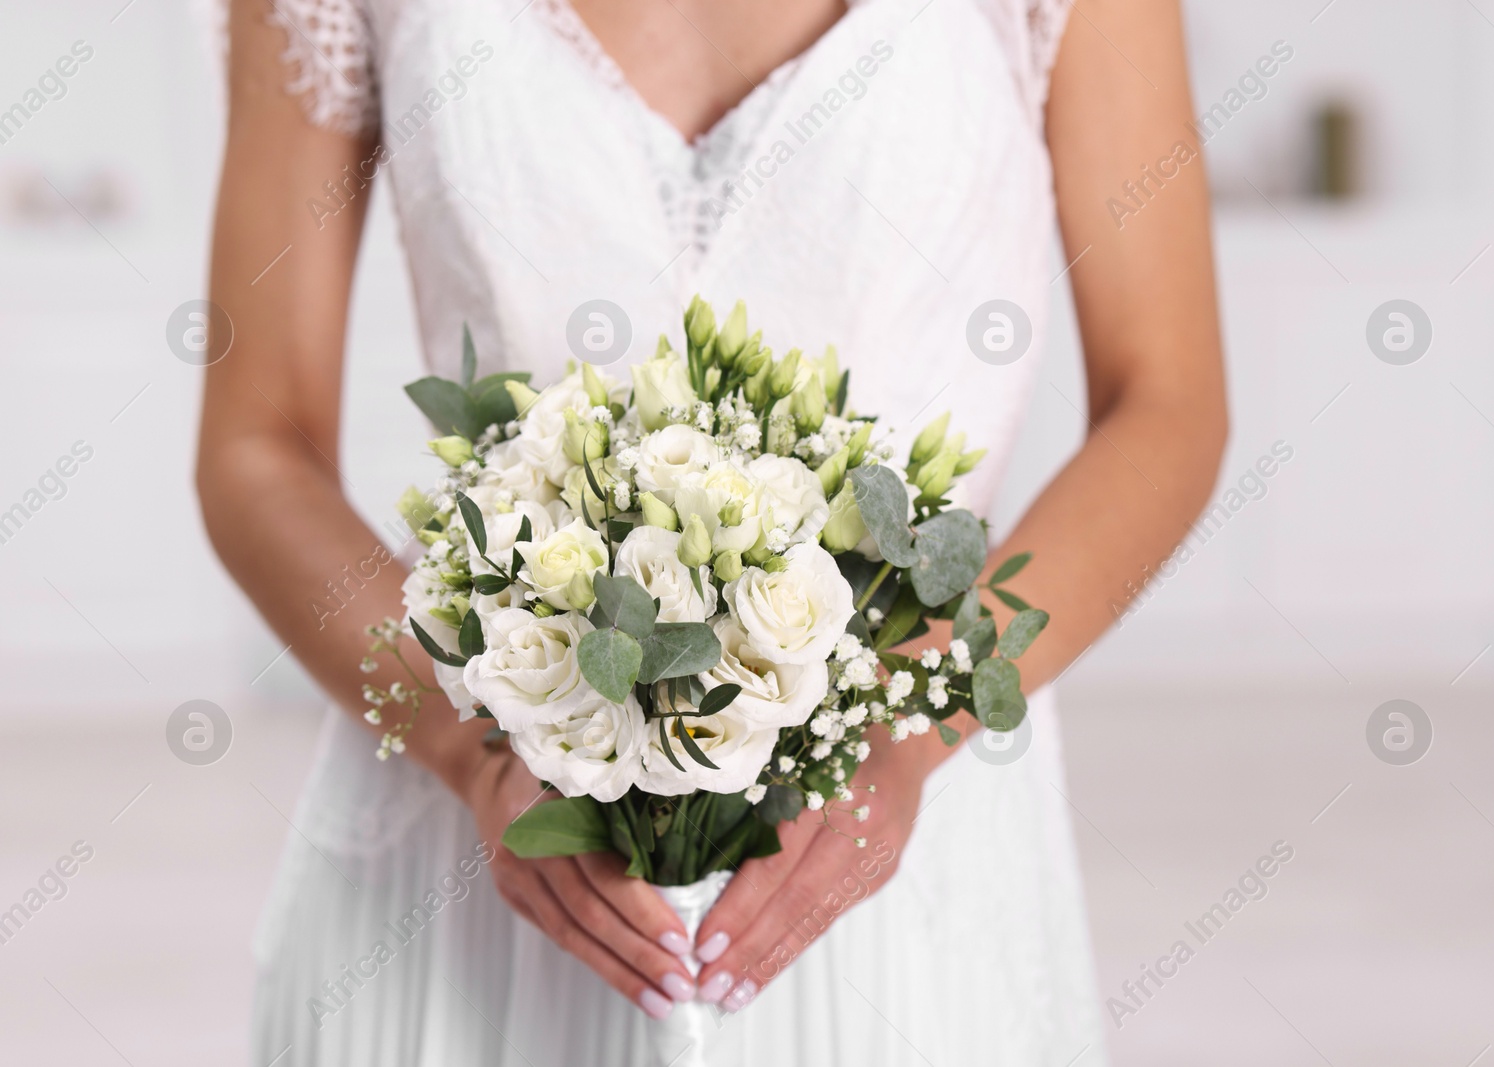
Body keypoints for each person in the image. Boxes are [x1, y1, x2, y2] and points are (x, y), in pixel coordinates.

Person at [196, 0, 1226, 1062]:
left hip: (903, 844)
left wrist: (907, 732)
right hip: (472, 856)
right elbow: (256, 445)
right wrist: (473, 752)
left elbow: (1168, 399)